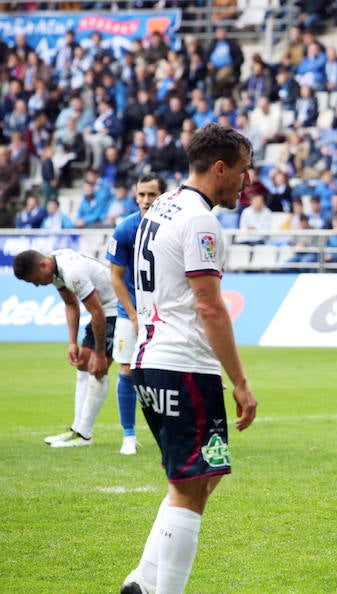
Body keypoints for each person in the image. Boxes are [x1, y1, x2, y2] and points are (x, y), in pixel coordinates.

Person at [120, 124, 258, 594]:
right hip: (179, 362)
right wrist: (239, 380)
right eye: (242, 171)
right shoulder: (201, 221)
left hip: (156, 357)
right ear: (220, 168)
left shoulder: (161, 205)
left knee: (202, 475)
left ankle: (143, 579)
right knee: (190, 486)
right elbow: (209, 305)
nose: (247, 181)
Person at [13, 248, 118, 448]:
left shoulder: (73, 272)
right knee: (83, 364)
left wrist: (101, 354)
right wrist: (72, 342)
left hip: (115, 309)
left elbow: (97, 313)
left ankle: (84, 435)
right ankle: (77, 429)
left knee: (97, 368)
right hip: (103, 311)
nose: (36, 285)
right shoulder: (55, 268)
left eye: (34, 279)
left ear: (42, 265)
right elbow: (71, 304)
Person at [105, 172, 166, 455]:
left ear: (162, 196)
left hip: (164, 311)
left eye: (151, 194)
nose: (145, 200)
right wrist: (132, 314)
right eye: (141, 195)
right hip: (131, 311)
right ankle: (128, 436)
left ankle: (167, 432)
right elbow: (115, 278)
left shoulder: (171, 227)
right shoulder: (125, 229)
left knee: (165, 372)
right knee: (127, 369)